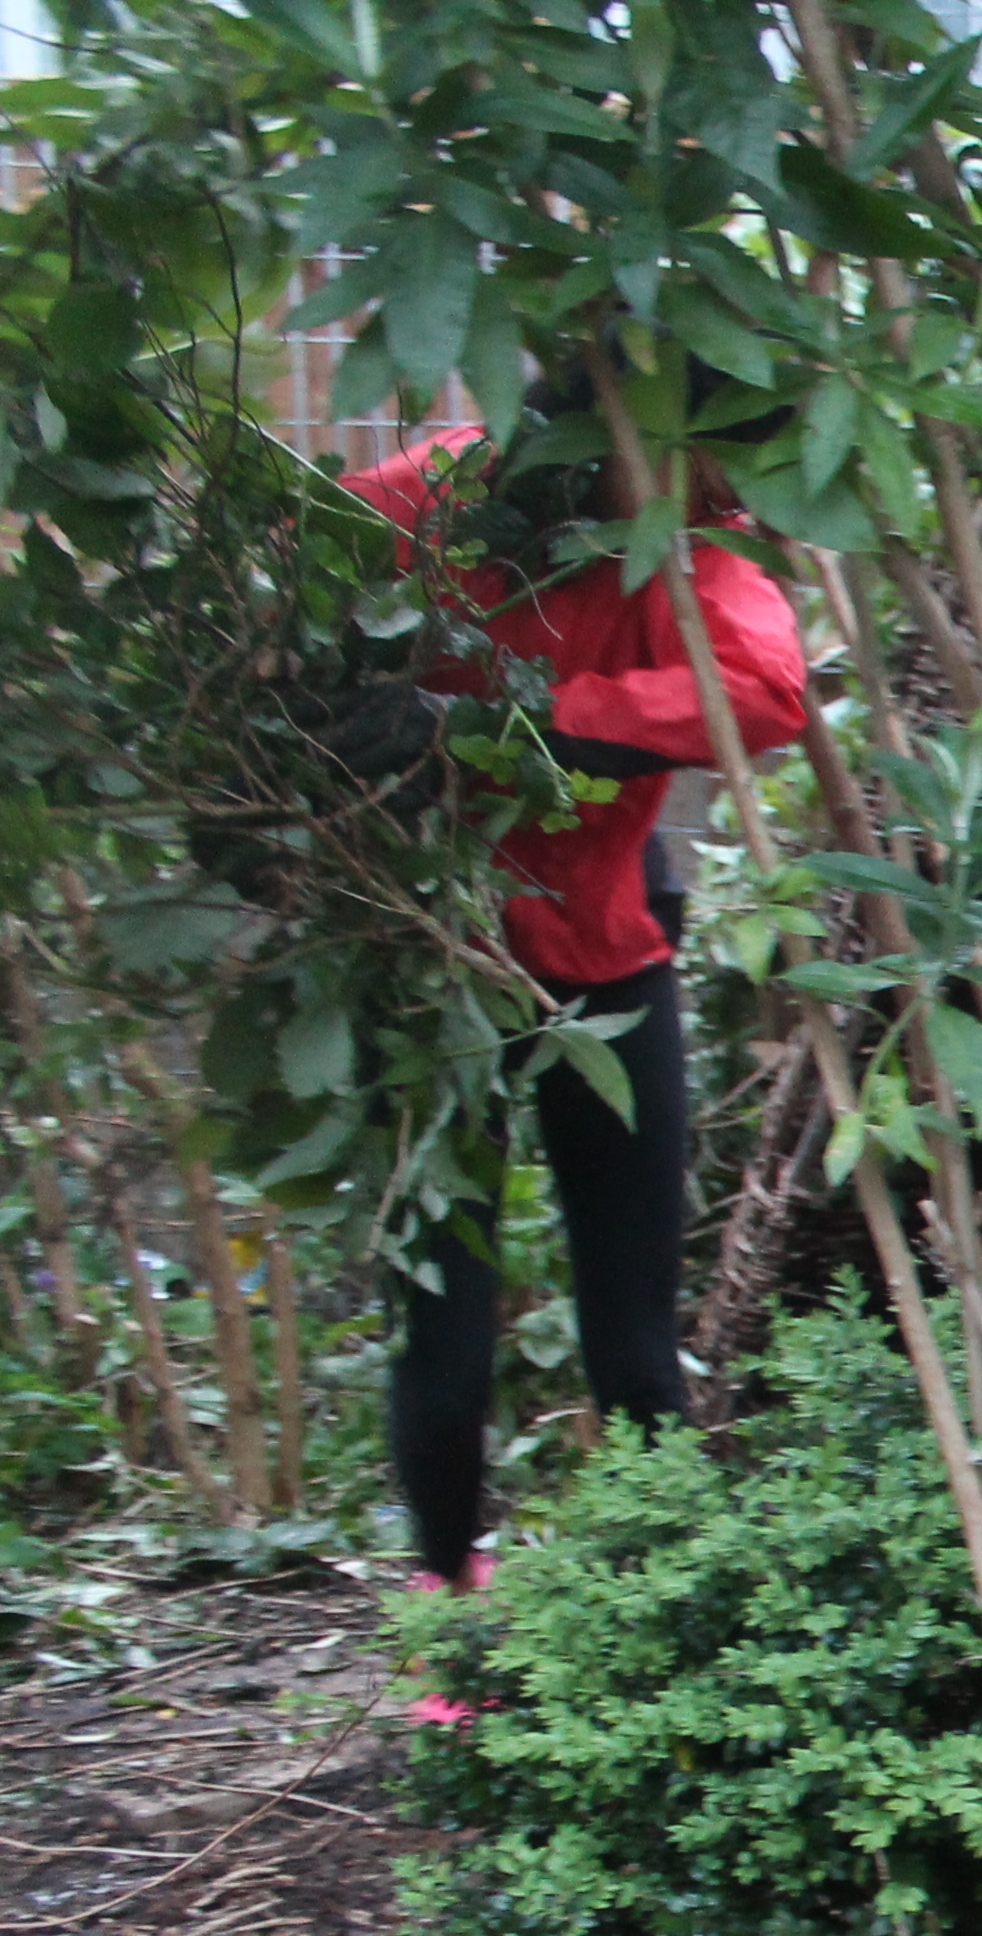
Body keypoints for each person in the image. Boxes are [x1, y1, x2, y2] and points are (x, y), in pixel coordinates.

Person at [323, 376, 810, 1588]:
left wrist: (503, 717)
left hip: (604, 944)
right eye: (708, 467)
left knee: (638, 1345)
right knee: (442, 1342)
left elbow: (767, 687)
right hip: (427, 950)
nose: (726, 498)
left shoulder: (682, 545)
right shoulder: (434, 496)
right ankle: (451, 1617)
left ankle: (664, 1628)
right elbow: (289, 586)